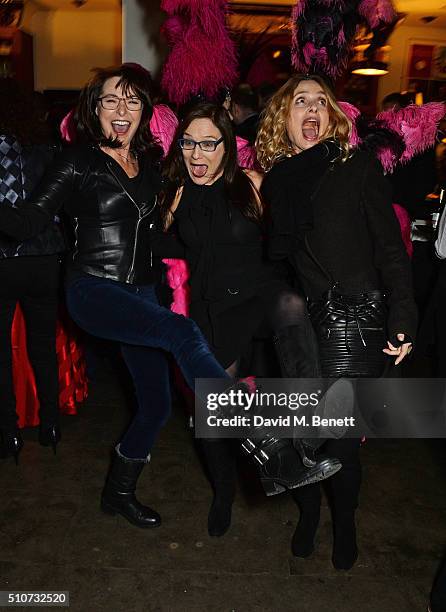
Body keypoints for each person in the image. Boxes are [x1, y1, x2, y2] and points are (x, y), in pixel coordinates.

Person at [0, 65, 335, 531]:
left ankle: (118, 491)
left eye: (133, 101)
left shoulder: (152, 169)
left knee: (156, 405)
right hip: (92, 288)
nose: (122, 110)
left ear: (144, 112)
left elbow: (176, 231)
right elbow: (29, 221)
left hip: (139, 292)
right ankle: (266, 442)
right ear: (94, 109)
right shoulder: (75, 161)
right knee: (181, 331)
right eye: (111, 100)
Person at [256, 74, 417, 569]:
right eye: (299, 101)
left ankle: (344, 520)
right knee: (305, 436)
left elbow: (391, 248)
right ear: (284, 117)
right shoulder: (275, 180)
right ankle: (308, 515)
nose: (310, 109)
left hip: (357, 320)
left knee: (342, 441)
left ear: (331, 116)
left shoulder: (356, 166)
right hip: (300, 331)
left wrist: (403, 312)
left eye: (319, 102)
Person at [160, 102, 342, 536]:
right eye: (188, 142)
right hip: (212, 306)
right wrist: (165, 217)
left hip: (259, 294)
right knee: (215, 413)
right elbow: (156, 246)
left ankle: (306, 435)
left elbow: (292, 237)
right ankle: (224, 491)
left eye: (209, 143)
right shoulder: (174, 191)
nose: (197, 153)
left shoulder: (252, 184)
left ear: (227, 146)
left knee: (290, 305)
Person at [0, 79, 65, 463]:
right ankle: (50, 424)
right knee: (43, 346)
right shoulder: (49, 151)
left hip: (3, 259)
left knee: (1, 354)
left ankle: (9, 433)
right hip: (44, 259)